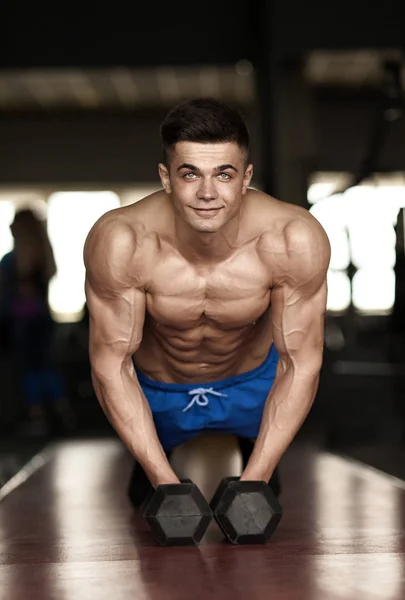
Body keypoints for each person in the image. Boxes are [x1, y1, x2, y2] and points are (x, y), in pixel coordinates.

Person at [83, 98, 330, 505]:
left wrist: (255, 483)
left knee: (263, 504)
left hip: (252, 387)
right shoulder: (122, 242)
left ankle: (257, 463)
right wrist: (165, 484)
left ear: (246, 177)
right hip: (159, 392)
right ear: (166, 178)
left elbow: (301, 363)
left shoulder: (291, 239)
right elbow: (110, 365)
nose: (208, 193)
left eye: (225, 174)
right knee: (145, 506)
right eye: (190, 174)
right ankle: (155, 467)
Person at [0, 208, 75, 435]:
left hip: (26, 324)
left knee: (33, 371)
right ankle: (62, 413)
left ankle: (39, 416)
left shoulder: (18, 259)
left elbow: (19, 295)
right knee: (45, 368)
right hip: (41, 322)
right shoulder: (42, 255)